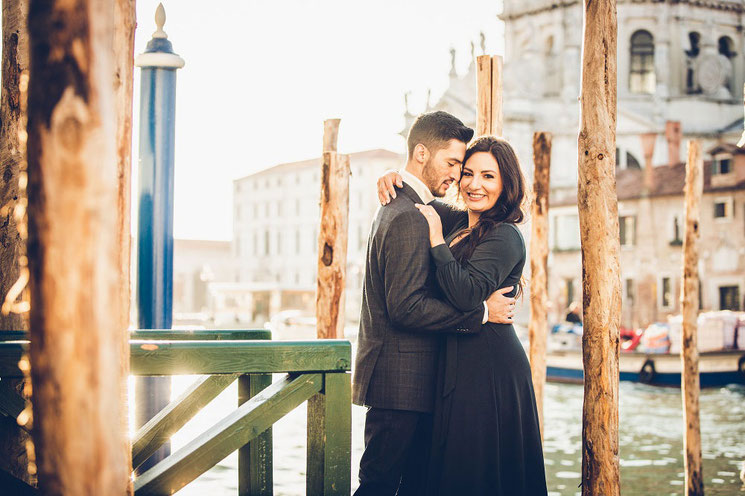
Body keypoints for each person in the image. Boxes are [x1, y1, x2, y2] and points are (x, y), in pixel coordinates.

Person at [353, 112, 517, 496]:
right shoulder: (410, 215)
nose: (458, 177)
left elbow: (476, 216)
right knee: (378, 487)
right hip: (401, 384)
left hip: (412, 384)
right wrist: (480, 312)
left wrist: (395, 174)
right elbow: (407, 307)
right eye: (453, 165)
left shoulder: (416, 207)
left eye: (463, 167)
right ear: (422, 153)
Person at [377, 135, 548, 495]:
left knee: (476, 470)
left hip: (490, 367)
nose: (474, 184)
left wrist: (437, 243)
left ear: (506, 184)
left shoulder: (505, 236)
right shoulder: (458, 220)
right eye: (467, 173)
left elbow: (466, 293)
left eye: (488, 176)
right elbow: (415, 194)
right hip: (455, 361)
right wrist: (393, 174)